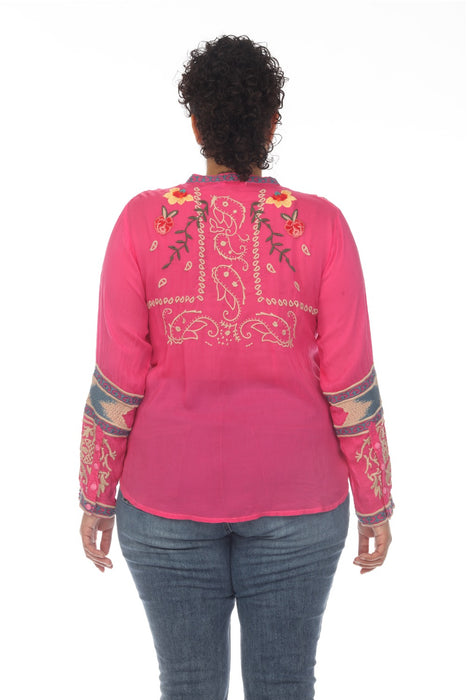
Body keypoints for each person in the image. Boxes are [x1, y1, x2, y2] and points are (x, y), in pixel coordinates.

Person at [79, 35, 393, 700]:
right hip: (300, 501)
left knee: (187, 684)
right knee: (284, 683)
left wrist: (96, 493)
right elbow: (349, 380)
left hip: (163, 502)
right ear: (273, 123)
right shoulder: (322, 225)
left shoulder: (141, 221)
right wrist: (374, 501)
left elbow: (118, 377)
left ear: (195, 124)